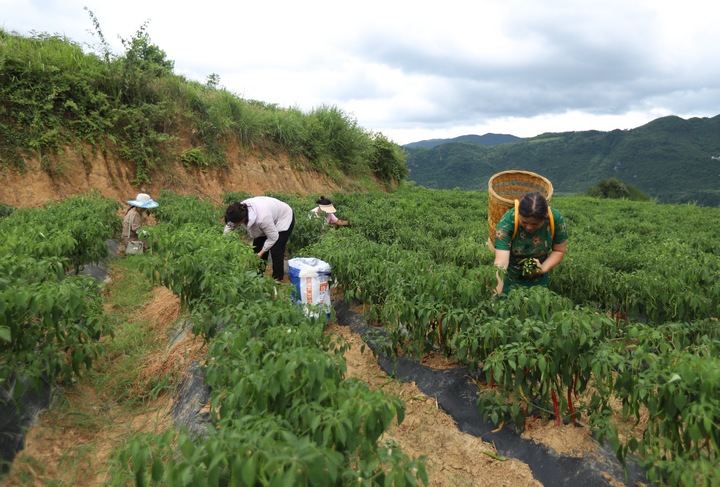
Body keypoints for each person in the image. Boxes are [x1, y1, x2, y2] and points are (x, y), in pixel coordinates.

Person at [493, 191, 567, 295]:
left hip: (539, 278)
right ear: (518, 213)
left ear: (545, 217)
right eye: (524, 222)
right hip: (510, 277)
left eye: (535, 224)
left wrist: (542, 268)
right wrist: (495, 295)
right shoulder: (507, 223)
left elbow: (559, 250)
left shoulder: (555, 219)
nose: (529, 227)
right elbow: (501, 263)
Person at [224, 196, 295, 282]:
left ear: (242, 219)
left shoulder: (262, 218)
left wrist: (261, 253)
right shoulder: (238, 210)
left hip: (283, 218)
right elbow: (230, 226)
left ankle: (277, 278)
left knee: (276, 249)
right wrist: (224, 241)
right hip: (268, 217)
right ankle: (257, 276)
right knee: (257, 247)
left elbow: (273, 237)